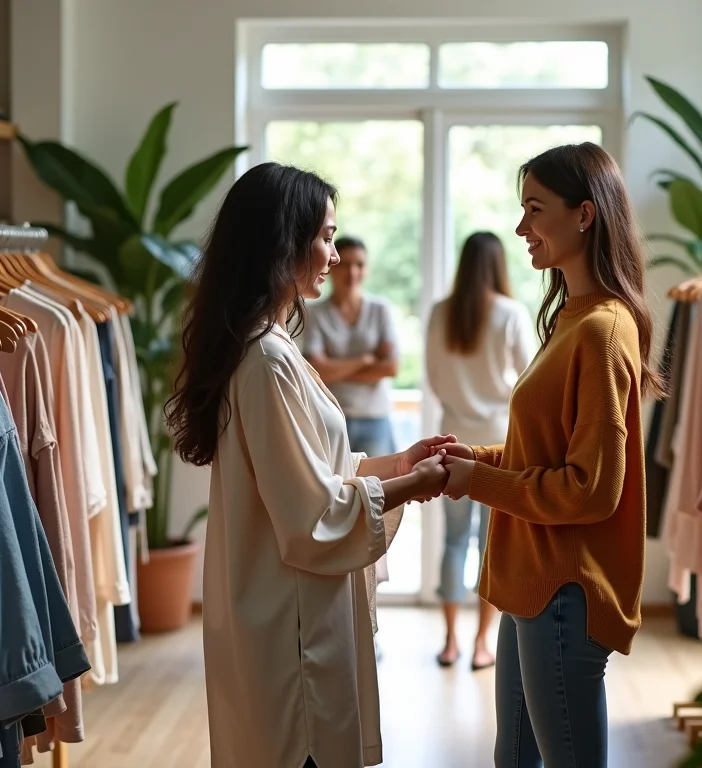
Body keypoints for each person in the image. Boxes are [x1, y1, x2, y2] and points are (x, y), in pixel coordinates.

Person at [165, 162, 454, 768]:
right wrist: (413, 485)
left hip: (278, 612)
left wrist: (399, 462)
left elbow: (317, 471)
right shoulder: (268, 359)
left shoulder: (267, 345)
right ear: (284, 242)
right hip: (287, 626)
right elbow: (311, 515)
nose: (332, 253)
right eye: (324, 237)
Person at [438, 143, 665, 768]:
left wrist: (477, 479)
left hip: (565, 590)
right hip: (534, 586)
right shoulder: (571, 317)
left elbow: (591, 488)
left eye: (535, 210)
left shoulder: (602, 329)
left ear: (585, 215)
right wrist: (476, 459)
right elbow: (542, 451)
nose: (521, 228)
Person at [425, 231, 533, 671]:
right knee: (492, 544)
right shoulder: (510, 313)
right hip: (499, 443)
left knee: (453, 541)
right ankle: (483, 642)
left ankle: (450, 642)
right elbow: (530, 379)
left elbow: (432, 376)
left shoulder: (439, 313)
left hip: (450, 438)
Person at [303, 236, 400, 458]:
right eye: (345, 264)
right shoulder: (314, 313)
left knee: (380, 487)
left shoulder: (380, 310)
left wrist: (333, 368)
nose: (352, 272)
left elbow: (391, 368)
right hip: (330, 417)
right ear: (332, 267)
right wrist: (366, 360)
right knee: (337, 487)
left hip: (374, 417)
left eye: (360, 265)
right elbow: (316, 372)